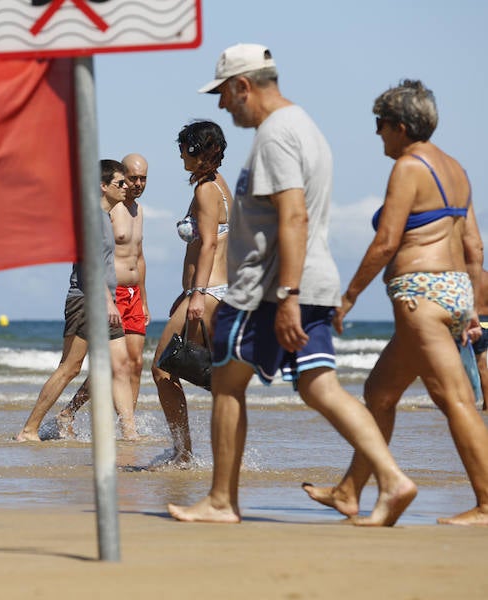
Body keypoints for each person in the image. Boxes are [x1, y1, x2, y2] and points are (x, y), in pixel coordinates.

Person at [168, 44, 416, 526]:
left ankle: (221, 500)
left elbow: (294, 215)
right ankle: (391, 479)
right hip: (306, 281)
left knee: (225, 380)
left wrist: (287, 295)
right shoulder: (306, 128)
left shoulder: (277, 135)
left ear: (244, 86)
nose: (221, 105)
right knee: (318, 385)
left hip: (269, 287)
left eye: (223, 94)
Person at [301, 80, 488, 526]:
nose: (377, 133)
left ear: (401, 126)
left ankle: (486, 504)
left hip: (420, 295)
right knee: (379, 393)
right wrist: (476, 311)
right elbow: (475, 246)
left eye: (380, 124)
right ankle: (349, 491)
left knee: (457, 401)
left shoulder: (408, 166)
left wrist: (346, 298)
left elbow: (386, 241)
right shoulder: (457, 169)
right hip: (454, 291)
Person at [15, 159, 138, 442]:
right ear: (102, 186)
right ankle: (29, 429)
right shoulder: (91, 218)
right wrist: (108, 302)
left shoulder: (106, 217)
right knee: (70, 367)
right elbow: (90, 265)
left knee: (120, 365)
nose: (126, 187)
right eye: (120, 183)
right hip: (86, 300)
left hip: (104, 302)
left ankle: (130, 433)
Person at [148, 120, 232, 466]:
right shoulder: (216, 185)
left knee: (163, 367)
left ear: (197, 150)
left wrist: (196, 294)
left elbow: (210, 243)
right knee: (209, 373)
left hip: (209, 291)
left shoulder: (206, 191)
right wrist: (186, 293)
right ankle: (204, 451)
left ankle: (184, 453)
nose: (180, 153)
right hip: (210, 290)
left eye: (184, 147)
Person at [55, 153, 150, 435]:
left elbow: (140, 256)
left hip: (134, 294)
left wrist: (143, 299)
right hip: (113, 292)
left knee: (134, 363)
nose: (137, 184)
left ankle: (127, 424)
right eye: (131, 178)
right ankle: (70, 412)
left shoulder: (138, 210)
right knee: (113, 365)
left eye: (143, 178)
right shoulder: (112, 209)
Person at [473, 269, 488, 411]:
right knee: (482, 367)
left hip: (470, 323)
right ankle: (486, 405)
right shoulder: (486, 276)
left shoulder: (466, 275)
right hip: (486, 324)